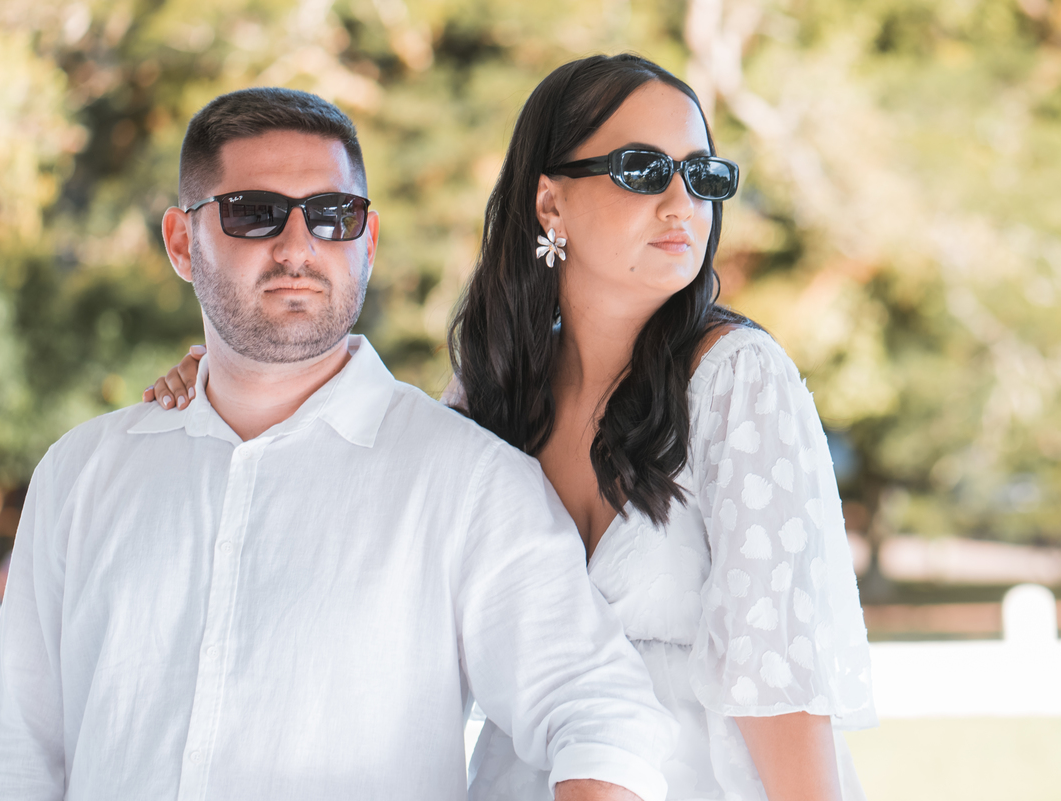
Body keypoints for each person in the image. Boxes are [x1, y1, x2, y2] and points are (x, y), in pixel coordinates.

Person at [146, 55, 877, 801]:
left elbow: (779, 687)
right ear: (549, 203)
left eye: (702, 176)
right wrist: (226, 385)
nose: (680, 204)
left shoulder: (738, 380)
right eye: (643, 170)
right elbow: (365, 498)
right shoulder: (493, 391)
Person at [0, 87, 680, 801]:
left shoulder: (467, 482)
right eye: (254, 212)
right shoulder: (81, 474)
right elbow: (18, 758)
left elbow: (603, 714)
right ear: (183, 242)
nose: (297, 247)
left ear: (368, 242)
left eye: (333, 215)